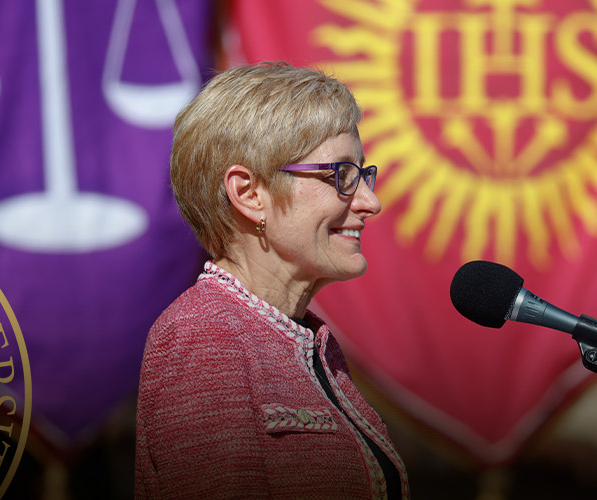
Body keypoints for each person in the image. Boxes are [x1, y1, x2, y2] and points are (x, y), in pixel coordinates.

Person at [135, 62, 407, 499]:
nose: (370, 202)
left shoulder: (311, 340)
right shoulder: (205, 338)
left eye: (363, 175)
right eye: (342, 176)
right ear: (249, 194)